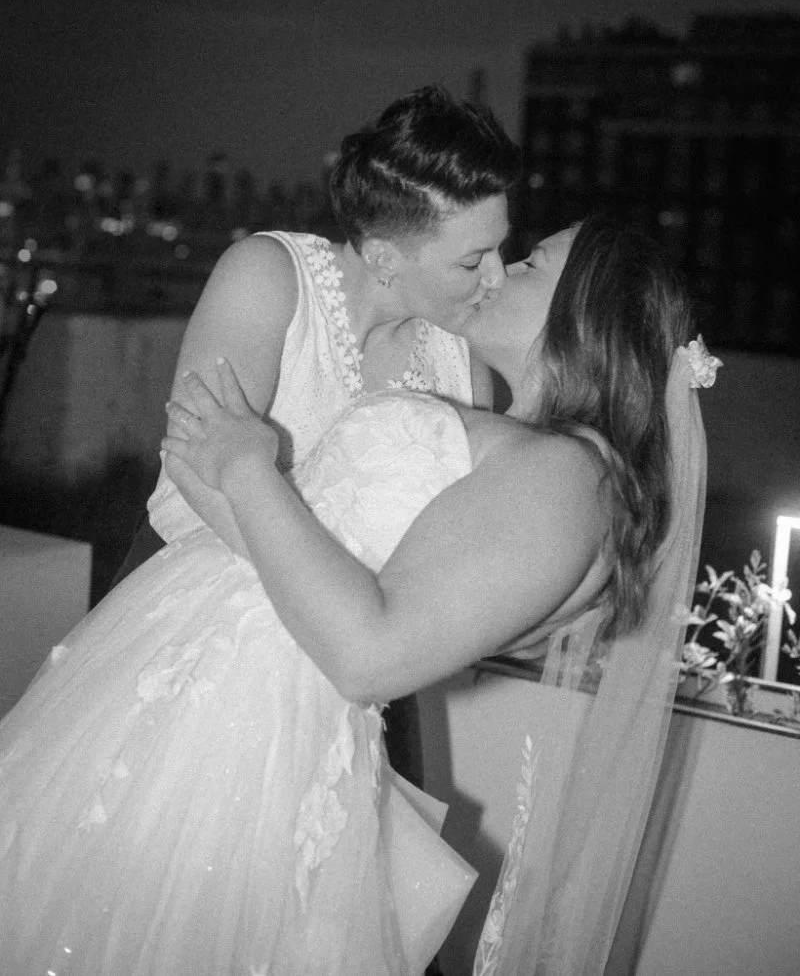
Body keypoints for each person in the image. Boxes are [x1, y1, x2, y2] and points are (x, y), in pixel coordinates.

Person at [0, 215, 715, 975]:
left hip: (252, 739)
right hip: (202, 692)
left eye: (533, 263)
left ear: (587, 312)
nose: (498, 272)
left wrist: (248, 467)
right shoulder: (538, 452)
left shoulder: (571, 481)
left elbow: (370, 655)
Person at [113, 83, 519, 788]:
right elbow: (193, 461)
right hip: (190, 625)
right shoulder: (267, 276)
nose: (497, 276)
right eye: (471, 260)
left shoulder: (463, 357)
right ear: (386, 256)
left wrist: (365, 624)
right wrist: (336, 604)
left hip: (358, 661)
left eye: (499, 251)